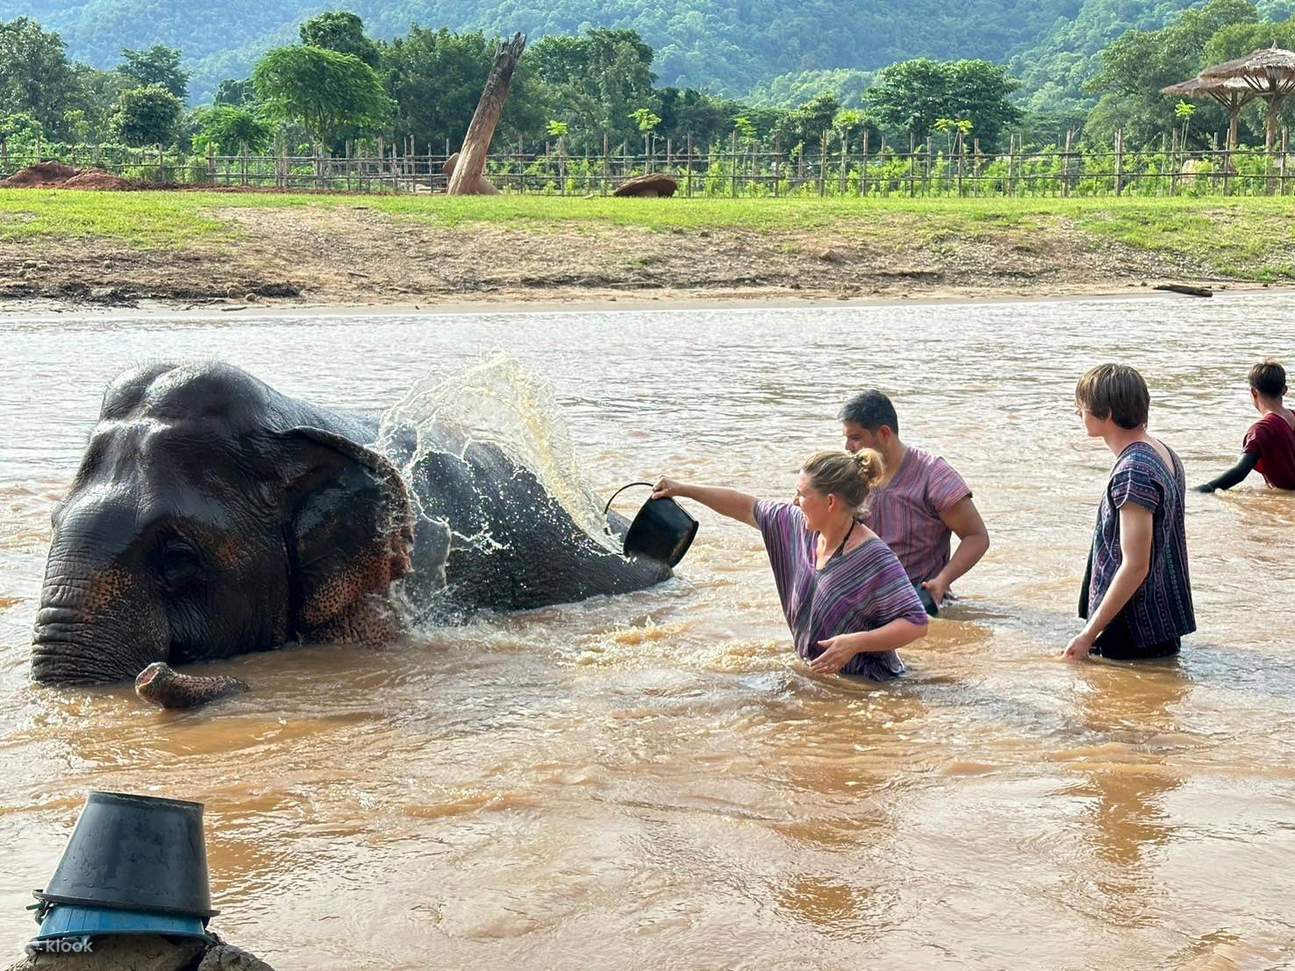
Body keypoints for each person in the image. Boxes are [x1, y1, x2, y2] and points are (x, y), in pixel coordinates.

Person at [652, 450, 929, 680]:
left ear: (830, 502)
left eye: (801, 494)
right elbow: (747, 507)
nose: (795, 501)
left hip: (872, 686)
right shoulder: (797, 526)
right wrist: (682, 489)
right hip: (821, 679)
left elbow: (916, 623)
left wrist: (855, 643)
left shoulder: (873, 558)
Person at [1066, 364, 1195, 662]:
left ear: (1107, 414)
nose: (1077, 413)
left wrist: (1088, 635)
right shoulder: (1162, 451)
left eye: (1081, 406)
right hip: (1160, 622)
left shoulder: (1133, 470)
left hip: (1131, 630)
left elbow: (1136, 565)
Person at [838, 390, 989, 614]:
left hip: (917, 601)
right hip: (865, 599)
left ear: (884, 433)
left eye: (856, 438)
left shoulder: (934, 475)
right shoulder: (854, 475)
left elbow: (976, 537)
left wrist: (942, 581)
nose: (848, 447)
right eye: (847, 438)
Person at [1196, 359, 1295, 493]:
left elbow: (1240, 472)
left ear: (1254, 392)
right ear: (1284, 390)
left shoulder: (1262, 430)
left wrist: (1205, 489)